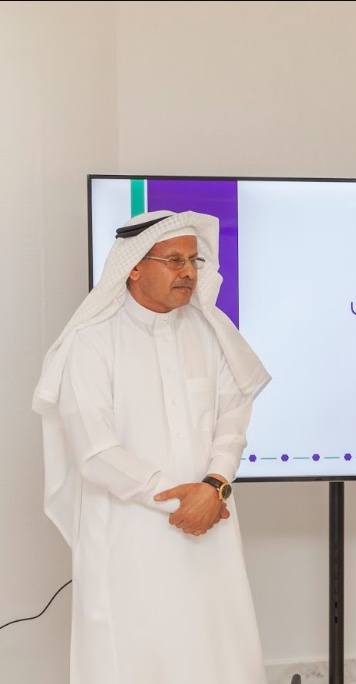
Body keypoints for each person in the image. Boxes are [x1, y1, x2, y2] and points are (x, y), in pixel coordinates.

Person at [32, 210, 272, 684]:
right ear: (135, 268)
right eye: (174, 260)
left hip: (210, 521)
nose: (188, 272)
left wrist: (214, 485)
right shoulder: (91, 342)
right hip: (129, 532)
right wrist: (182, 499)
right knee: (135, 657)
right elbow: (96, 451)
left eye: (193, 261)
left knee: (216, 650)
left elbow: (233, 416)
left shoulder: (211, 333)